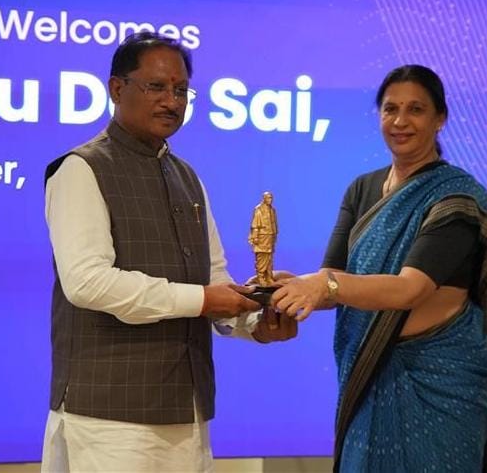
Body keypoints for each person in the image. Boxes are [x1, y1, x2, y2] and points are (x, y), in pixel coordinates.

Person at [41, 31, 296, 473]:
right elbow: (87, 283)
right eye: (156, 87)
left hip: (187, 410)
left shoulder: (187, 177)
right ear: (116, 88)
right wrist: (203, 300)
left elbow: (214, 280)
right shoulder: (81, 169)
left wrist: (257, 321)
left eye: (181, 90)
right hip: (109, 419)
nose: (171, 101)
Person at [270, 65, 487, 472]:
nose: (400, 121)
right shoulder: (362, 189)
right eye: (390, 109)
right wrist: (290, 288)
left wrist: (323, 285)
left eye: (416, 109)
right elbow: (333, 280)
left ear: (440, 118)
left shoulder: (457, 197)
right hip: (372, 376)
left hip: (442, 383)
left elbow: (410, 289)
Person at [248, 191, 278, 286]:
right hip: (262, 237)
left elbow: (274, 223)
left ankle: (269, 276)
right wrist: (255, 237)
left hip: (270, 236)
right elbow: (255, 225)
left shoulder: (272, 210)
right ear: (264, 199)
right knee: (262, 257)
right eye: (268, 198)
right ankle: (260, 277)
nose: (270, 200)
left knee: (269, 258)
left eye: (271, 198)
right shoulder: (259, 209)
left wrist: (274, 234)